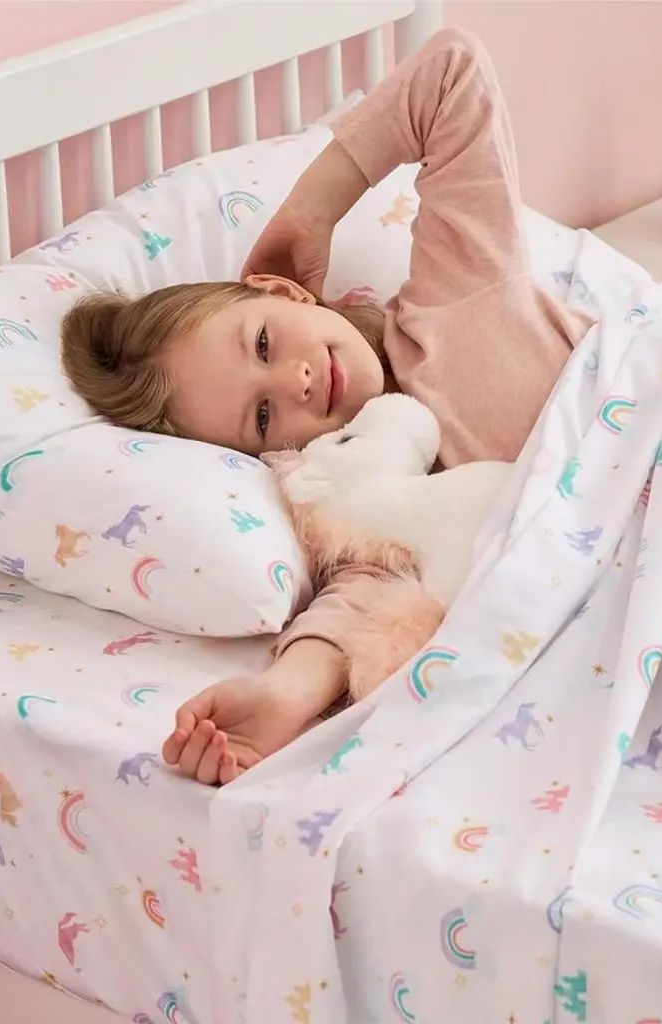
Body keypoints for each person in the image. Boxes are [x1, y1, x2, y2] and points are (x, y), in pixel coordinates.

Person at [60, 27, 593, 785]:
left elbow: (452, 73)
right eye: (263, 416)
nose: (297, 384)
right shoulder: (351, 492)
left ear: (283, 291)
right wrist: (283, 695)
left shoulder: (455, 295)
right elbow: (356, 605)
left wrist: (312, 211)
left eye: (265, 344)